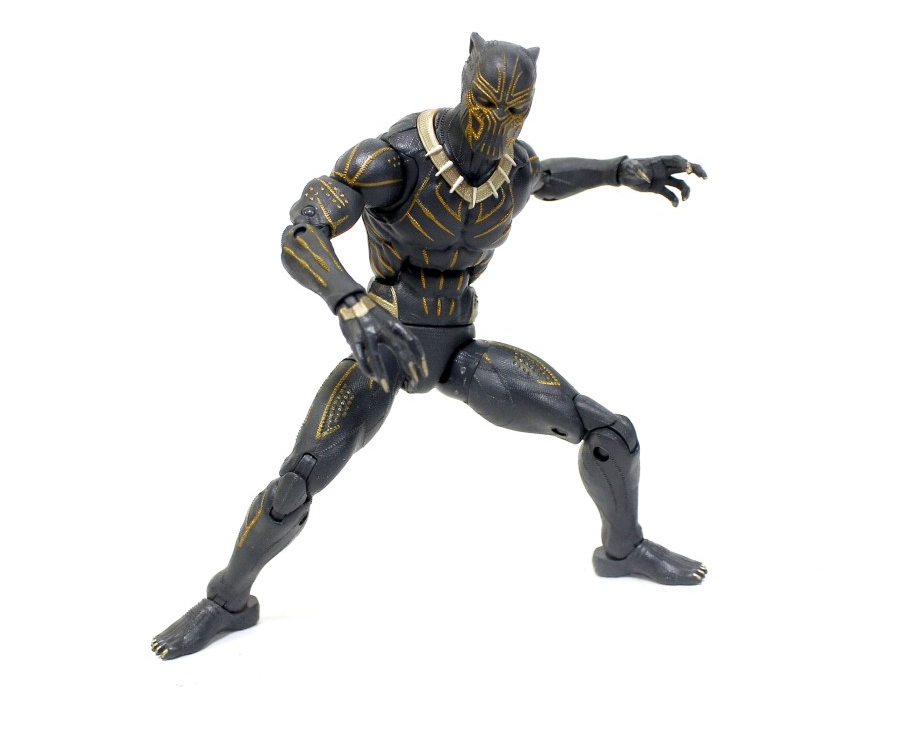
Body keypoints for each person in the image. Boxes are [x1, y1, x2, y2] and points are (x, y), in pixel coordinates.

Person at [152, 33, 708, 660]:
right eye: (486, 104)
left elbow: (548, 177)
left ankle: (623, 549)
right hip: (384, 350)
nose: (498, 125)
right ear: (465, 82)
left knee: (611, 434)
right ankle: (227, 601)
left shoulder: (514, 170)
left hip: (460, 354)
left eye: (515, 110)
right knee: (294, 485)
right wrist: (349, 300)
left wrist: (618, 171)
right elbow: (301, 232)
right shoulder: (392, 161)